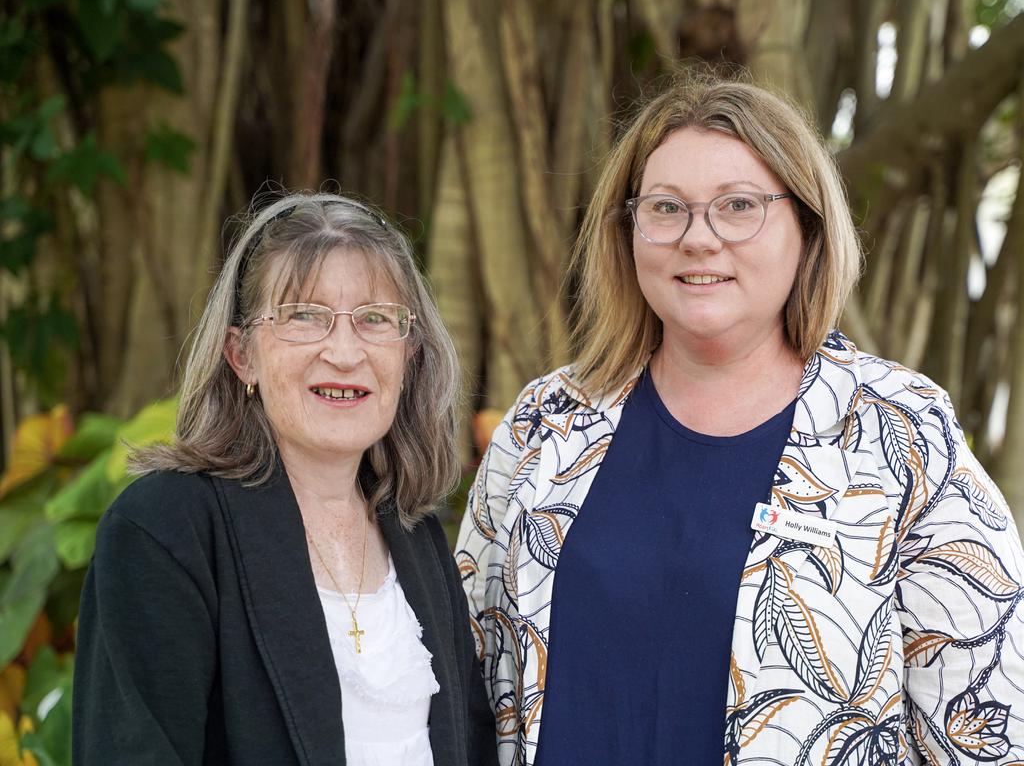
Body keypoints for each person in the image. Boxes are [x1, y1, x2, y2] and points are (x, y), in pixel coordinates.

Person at [456, 73, 1024, 765]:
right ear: (628, 229)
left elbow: (985, 720)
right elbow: (468, 683)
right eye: (666, 208)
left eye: (739, 206)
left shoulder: (902, 433)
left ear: (807, 229)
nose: (699, 238)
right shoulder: (547, 422)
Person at [73, 192, 498, 766]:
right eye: (305, 316)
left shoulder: (414, 533)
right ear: (241, 354)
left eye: (375, 319)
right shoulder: (163, 531)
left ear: (410, 353)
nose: (345, 353)